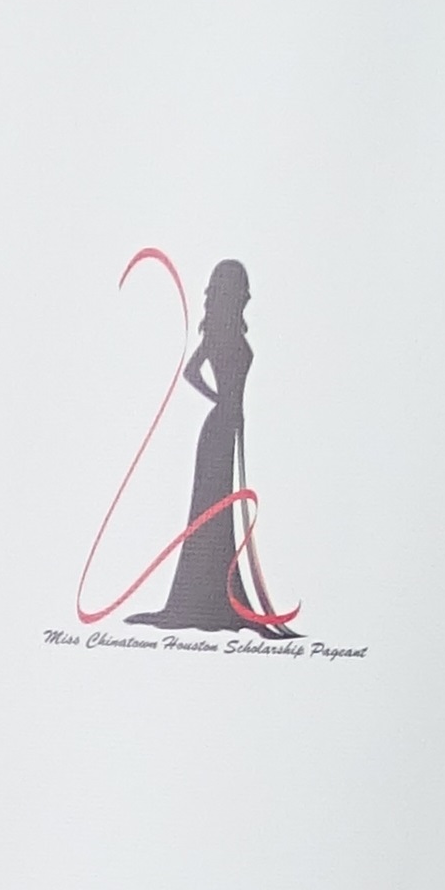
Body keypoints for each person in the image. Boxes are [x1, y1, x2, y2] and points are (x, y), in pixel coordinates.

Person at [133, 263, 275, 634]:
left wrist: (228, 406)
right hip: (218, 428)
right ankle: (204, 600)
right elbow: (191, 373)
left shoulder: (228, 331)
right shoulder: (216, 333)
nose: (248, 296)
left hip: (228, 425)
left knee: (221, 510)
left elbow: (195, 374)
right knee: (212, 508)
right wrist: (221, 400)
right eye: (243, 289)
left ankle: (218, 598)